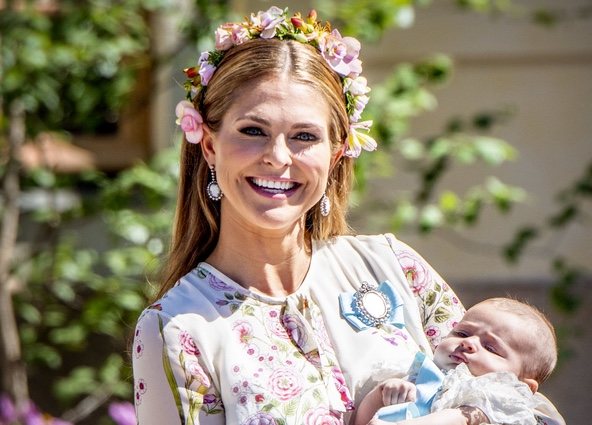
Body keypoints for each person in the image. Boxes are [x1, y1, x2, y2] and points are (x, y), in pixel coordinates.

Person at [131, 6, 566, 425]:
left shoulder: (394, 267)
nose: (278, 157)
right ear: (209, 145)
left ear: (336, 154)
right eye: (253, 131)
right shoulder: (176, 329)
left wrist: (465, 418)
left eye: (304, 136)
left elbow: (528, 405)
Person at [353, 298, 558, 425]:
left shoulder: (501, 399)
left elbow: (459, 419)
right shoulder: (420, 377)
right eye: (461, 333)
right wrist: (379, 397)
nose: (468, 343)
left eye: (490, 348)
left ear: (522, 386)